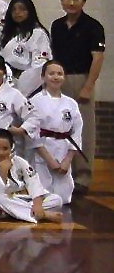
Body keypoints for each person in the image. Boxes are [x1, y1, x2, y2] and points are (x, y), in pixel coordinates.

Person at [50, 0, 104, 195]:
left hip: (81, 79)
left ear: (83, 1)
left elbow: (98, 58)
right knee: (60, 126)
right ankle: (63, 173)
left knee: (83, 129)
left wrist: (89, 86)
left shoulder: (93, 26)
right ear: (62, 0)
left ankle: (82, 176)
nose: (71, 2)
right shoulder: (57, 25)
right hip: (59, 80)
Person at [24, 60, 82, 203]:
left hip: (63, 150)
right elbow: (31, 132)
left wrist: (67, 160)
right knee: (42, 194)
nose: (56, 77)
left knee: (63, 198)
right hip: (42, 151)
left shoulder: (71, 103)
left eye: (59, 74)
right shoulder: (34, 101)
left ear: (64, 77)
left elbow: (77, 132)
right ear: (43, 77)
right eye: (51, 73)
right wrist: (49, 160)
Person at [0, 128, 63, 223]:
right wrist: (3, 172)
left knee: (57, 200)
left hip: (26, 198)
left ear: (11, 147)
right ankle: (44, 215)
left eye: (5, 148)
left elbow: (33, 181)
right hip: (8, 199)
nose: (1, 152)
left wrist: (37, 204)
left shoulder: (19, 161)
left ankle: (16, 213)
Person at [0, 0, 52, 96]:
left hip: (28, 84)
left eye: (22, 9)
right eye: (14, 10)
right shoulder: (6, 33)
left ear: (30, 11)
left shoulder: (38, 33)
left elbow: (39, 65)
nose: (17, 12)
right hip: (6, 80)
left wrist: (22, 89)